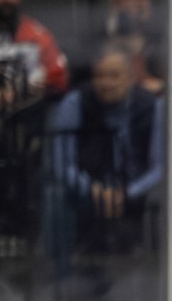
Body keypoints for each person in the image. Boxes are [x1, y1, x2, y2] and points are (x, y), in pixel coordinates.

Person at [43, 43, 165, 268]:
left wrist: (127, 193)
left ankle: (161, 271)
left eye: (114, 76)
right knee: (56, 194)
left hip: (137, 191)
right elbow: (62, 163)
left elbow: (160, 167)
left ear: (130, 77)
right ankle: (61, 276)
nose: (105, 83)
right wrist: (92, 190)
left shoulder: (153, 106)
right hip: (86, 190)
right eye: (99, 76)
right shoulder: (75, 103)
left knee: (166, 197)